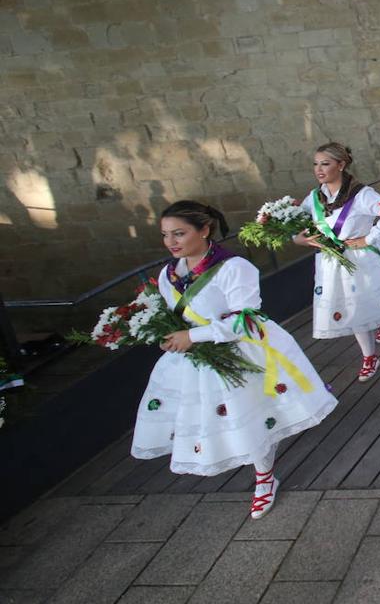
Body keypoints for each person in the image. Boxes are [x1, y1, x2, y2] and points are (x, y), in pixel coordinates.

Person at [134, 201, 336, 520]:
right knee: (216, 418)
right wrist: (169, 333)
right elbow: (176, 314)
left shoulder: (233, 267)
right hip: (198, 359)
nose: (171, 241)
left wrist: (194, 337)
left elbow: (247, 319)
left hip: (242, 351)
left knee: (252, 415)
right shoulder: (168, 274)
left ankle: (264, 479)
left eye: (179, 233)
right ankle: (246, 465)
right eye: (165, 235)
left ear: (204, 230)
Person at [295, 142, 380, 382]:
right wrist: (299, 239)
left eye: (325, 163)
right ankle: (369, 356)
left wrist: (370, 237)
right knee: (351, 308)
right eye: (316, 164)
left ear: (341, 165)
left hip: (361, 258)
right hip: (333, 262)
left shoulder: (361, 194)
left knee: (371, 301)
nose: (319, 169)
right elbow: (298, 223)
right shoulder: (314, 197)